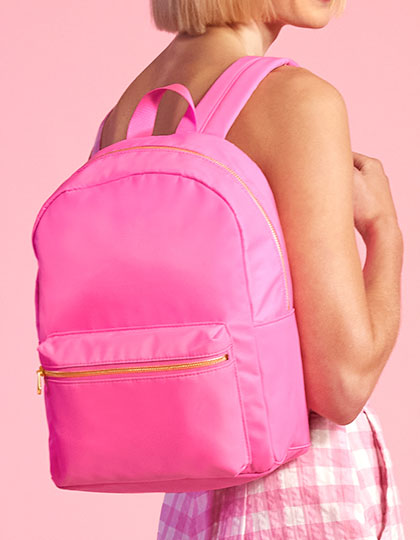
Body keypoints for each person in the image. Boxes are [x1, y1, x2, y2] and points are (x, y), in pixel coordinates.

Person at [92, 1, 406, 537]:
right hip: (297, 498)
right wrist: (384, 231)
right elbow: (342, 385)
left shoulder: (124, 118)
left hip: (194, 500)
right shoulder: (296, 101)